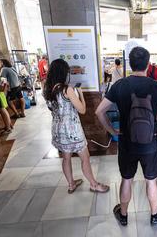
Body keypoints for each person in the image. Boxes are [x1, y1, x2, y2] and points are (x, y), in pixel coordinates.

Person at [95, 47, 157, 226]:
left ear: (130, 63)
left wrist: (112, 131)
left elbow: (99, 111)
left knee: (127, 179)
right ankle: (154, 215)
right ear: (148, 64)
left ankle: (124, 215)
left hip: (127, 142)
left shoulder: (120, 85)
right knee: (151, 180)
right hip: (151, 143)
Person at [44, 59, 109, 194]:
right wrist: (80, 94)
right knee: (85, 157)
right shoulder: (67, 89)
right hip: (72, 130)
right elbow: (82, 110)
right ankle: (94, 184)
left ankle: (71, 184)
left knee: (66, 157)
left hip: (58, 129)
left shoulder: (48, 90)